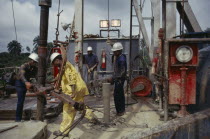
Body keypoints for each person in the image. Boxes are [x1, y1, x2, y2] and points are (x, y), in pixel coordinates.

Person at [50, 53, 98, 136]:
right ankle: (92, 118)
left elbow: (71, 78)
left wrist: (72, 92)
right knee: (80, 105)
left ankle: (63, 130)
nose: (54, 65)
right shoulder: (64, 66)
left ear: (57, 60)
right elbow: (60, 76)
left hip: (74, 90)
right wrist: (51, 81)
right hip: (79, 88)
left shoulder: (66, 66)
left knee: (68, 109)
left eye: (54, 63)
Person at [15, 53, 38, 122]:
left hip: (27, 83)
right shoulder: (23, 66)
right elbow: (22, 75)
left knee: (41, 95)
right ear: (32, 61)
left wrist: (41, 83)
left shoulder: (34, 68)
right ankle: (18, 119)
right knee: (20, 101)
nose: (35, 63)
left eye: (36, 62)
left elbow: (37, 77)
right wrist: (26, 82)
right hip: (20, 83)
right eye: (35, 62)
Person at [108, 42, 127, 116]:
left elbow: (122, 72)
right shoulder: (120, 57)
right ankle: (120, 110)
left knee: (117, 95)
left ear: (118, 51)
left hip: (119, 80)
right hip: (118, 79)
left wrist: (113, 78)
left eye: (114, 51)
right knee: (119, 94)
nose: (113, 52)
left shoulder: (121, 59)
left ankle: (120, 111)